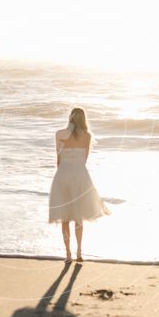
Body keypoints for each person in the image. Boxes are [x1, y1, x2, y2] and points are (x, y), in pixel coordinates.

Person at [48, 107, 110, 262]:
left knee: (65, 218)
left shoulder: (59, 134)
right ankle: (79, 253)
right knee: (78, 217)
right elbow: (84, 159)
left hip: (62, 174)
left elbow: (58, 158)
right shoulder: (87, 136)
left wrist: (63, 171)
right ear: (83, 119)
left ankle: (68, 254)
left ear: (70, 118)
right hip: (80, 174)